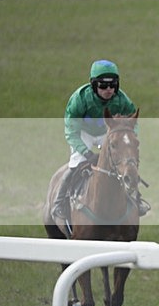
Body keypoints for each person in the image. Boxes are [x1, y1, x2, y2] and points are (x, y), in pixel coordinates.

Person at [52, 59, 146, 220]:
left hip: (108, 132)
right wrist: (86, 152)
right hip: (83, 133)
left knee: (124, 163)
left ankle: (136, 199)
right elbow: (71, 132)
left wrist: (127, 137)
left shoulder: (122, 99)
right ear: (93, 85)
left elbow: (132, 123)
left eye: (113, 85)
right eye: (103, 85)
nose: (109, 89)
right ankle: (59, 202)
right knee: (75, 163)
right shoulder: (79, 99)